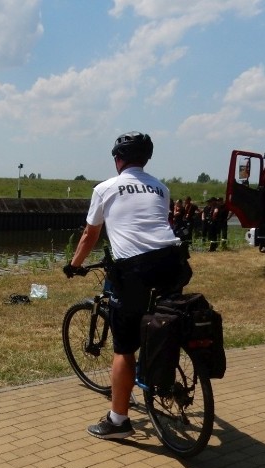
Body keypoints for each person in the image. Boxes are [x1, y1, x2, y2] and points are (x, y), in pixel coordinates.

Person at [64, 131, 191, 440]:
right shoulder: (162, 188)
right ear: (145, 159)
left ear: (117, 159)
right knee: (162, 321)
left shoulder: (105, 188)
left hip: (135, 269)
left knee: (124, 348)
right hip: (174, 262)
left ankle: (118, 420)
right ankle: (160, 374)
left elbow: (90, 235)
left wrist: (74, 265)